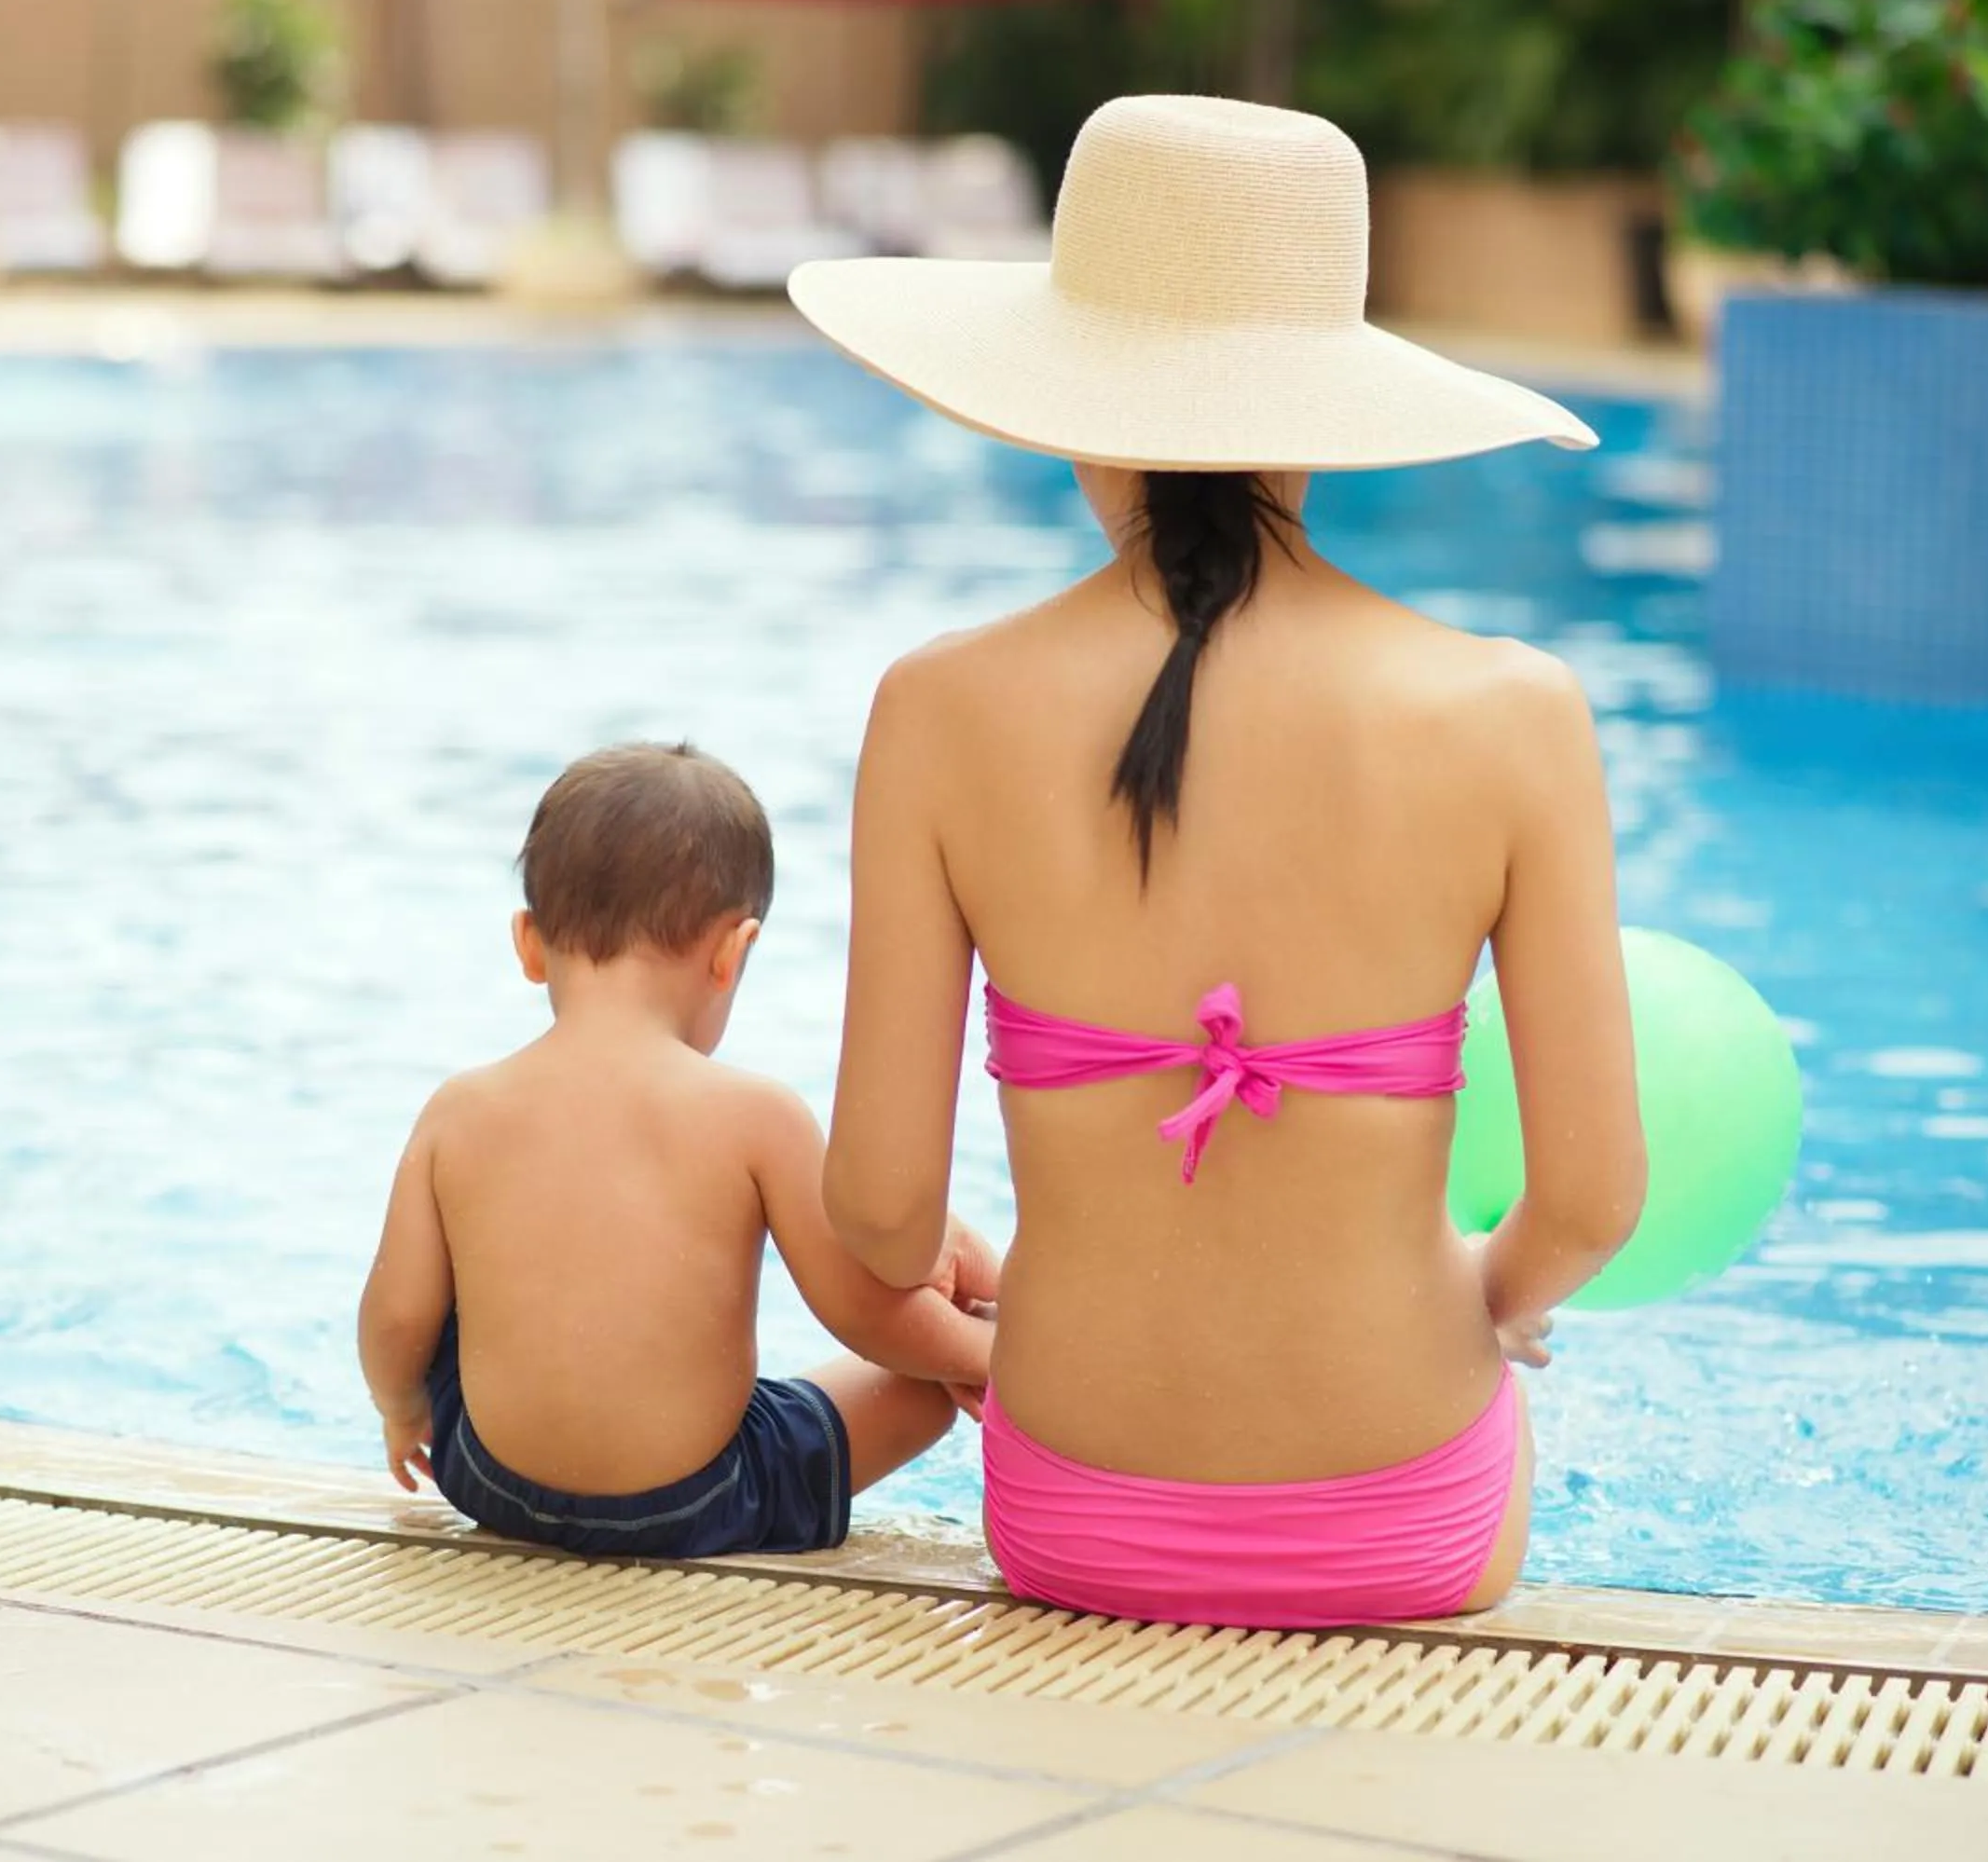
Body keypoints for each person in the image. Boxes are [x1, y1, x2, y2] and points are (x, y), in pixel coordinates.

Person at [788, 97, 1647, 1629]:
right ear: (1330, 402)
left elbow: (878, 1212)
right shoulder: (1516, 712)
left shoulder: (939, 707)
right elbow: (1588, 1205)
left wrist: (961, 1270)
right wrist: (1469, 1300)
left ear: (1066, 394)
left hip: (1072, 1505)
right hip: (1406, 1521)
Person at [357, 742, 998, 1559]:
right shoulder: (757, 1115)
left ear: (528, 942)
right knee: (917, 1388)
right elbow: (865, 1312)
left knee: (450, 1322)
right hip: (695, 1502)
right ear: (732, 953)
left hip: (488, 1477)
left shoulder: (459, 1109)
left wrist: (403, 1411)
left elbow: (397, 1316)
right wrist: (987, 1355)